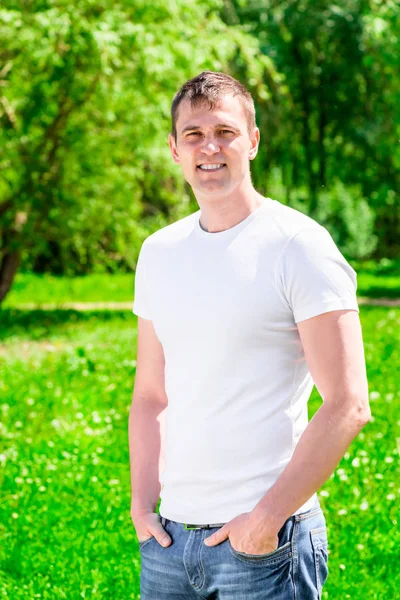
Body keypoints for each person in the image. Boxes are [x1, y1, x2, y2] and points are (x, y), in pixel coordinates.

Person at [129, 71, 371, 599]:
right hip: (168, 544)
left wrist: (264, 521)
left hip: (265, 546)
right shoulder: (159, 252)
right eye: (193, 134)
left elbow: (349, 403)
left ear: (253, 141)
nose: (208, 147)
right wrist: (143, 506)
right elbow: (150, 395)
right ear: (174, 148)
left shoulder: (299, 245)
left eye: (226, 131)